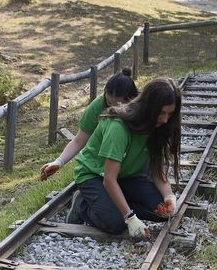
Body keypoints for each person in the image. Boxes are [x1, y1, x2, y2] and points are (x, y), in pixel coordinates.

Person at [69, 77, 182, 239]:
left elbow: (157, 169)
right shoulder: (118, 127)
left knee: (162, 212)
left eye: (170, 114)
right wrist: (130, 217)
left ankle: (109, 202)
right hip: (95, 175)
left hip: (126, 176)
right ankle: (82, 204)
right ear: (148, 107)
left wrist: (169, 197)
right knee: (115, 224)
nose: (165, 119)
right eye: (162, 113)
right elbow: (109, 179)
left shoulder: (159, 126)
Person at [39, 69, 139, 181]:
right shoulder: (97, 106)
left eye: (117, 104)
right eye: (109, 103)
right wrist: (58, 162)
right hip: (101, 165)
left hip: (129, 166)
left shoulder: (140, 108)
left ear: (130, 99)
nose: (113, 108)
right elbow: (78, 141)